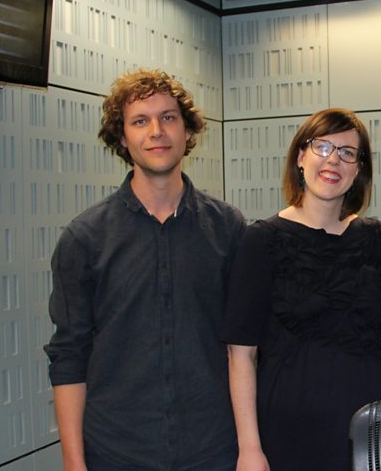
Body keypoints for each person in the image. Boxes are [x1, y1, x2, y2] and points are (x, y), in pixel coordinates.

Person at [45, 69, 245, 471]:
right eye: (140, 121)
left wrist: (250, 447)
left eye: (168, 117)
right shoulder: (84, 239)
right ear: (122, 137)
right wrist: (73, 462)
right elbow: (69, 356)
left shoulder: (229, 229)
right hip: (117, 451)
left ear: (187, 131)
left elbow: (244, 348)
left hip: (212, 449)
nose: (157, 131)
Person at [224, 108, 381, 471]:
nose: (333, 160)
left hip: (372, 428)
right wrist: (250, 449)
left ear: (358, 170)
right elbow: (240, 354)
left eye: (347, 153)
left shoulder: (377, 238)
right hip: (290, 431)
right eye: (322, 147)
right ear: (300, 157)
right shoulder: (262, 240)